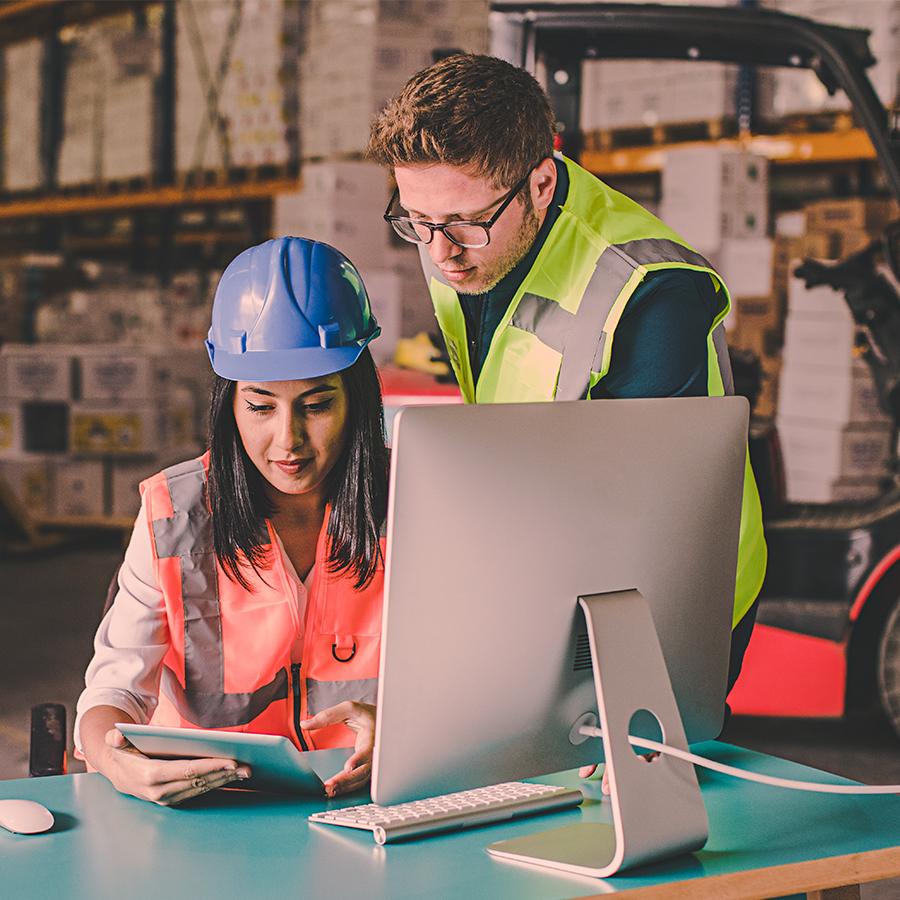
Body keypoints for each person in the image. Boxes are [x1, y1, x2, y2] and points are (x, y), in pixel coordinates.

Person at [367, 54, 766, 717]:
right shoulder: (463, 230)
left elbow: (653, 531)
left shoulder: (652, 293)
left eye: (464, 223)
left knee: (625, 786)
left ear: (543, 183)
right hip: (547, 546)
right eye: (417, 220)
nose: (439, 252)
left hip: (673, 589)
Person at [75, 237, 389, 806]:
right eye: (261, 406)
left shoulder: (416, 507)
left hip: (369, 803)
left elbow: (475, 680)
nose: (287, 441)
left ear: (358, 400)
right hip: (210, 810)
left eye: (317, 405)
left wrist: (409, 732)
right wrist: (117, 764)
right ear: (229, 403)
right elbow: (114, 689)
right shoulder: (173, 515)